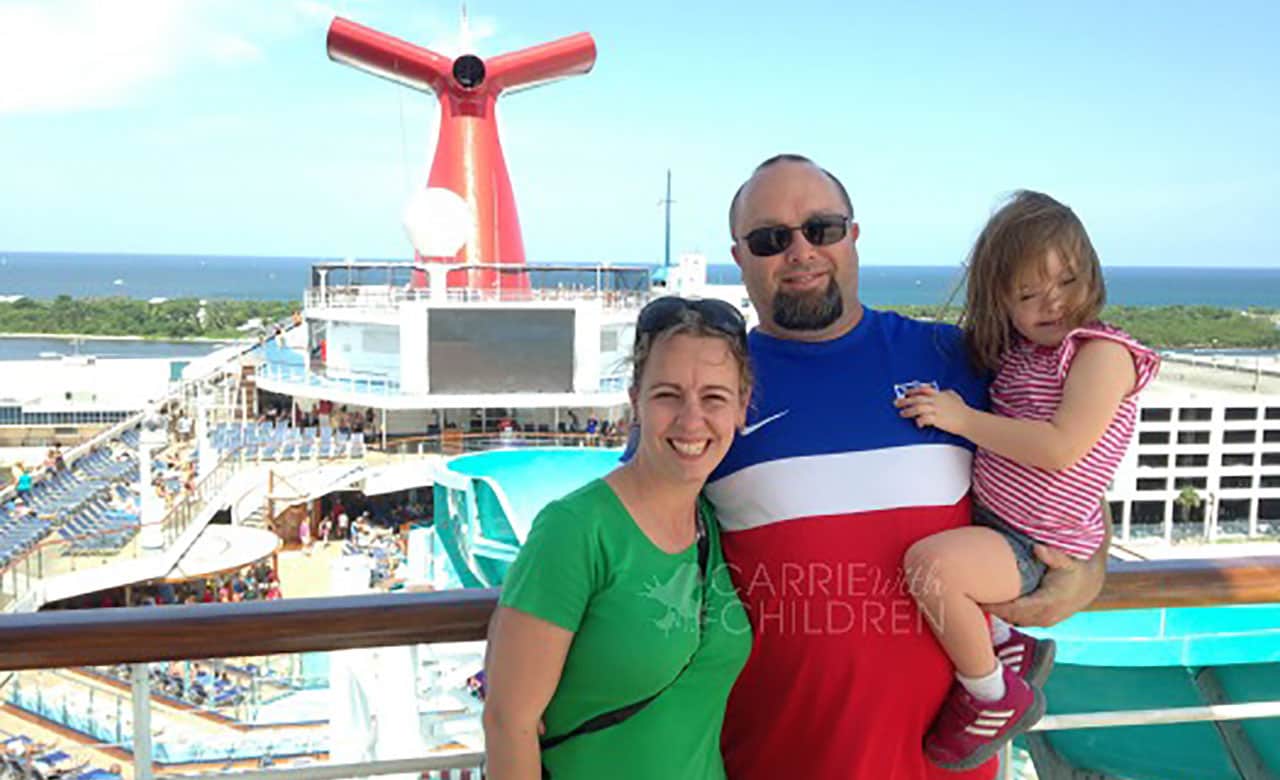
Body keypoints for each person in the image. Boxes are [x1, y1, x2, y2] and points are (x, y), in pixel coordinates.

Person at [705, 155, 1109, 780]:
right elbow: (631, 533)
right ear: (740, 258)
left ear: (853, 235)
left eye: (822, 228)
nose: (801, 250)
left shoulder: (954, 360)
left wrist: (1089, 568)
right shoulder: (710, 390)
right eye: (770, 239)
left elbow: (1065, 462)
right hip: (778, 759)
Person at [894, 191, 1159, 768]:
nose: (1053, 302)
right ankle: (1007, 644)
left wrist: (960, 418)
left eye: (1065, 281)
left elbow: (1062, 449)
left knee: (930, 568)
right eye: (1028, 294)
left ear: (1090, 272)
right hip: (1001, 522)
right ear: (1001, 302)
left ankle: (990, 694)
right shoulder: (1021, 354)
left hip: (1030, 542)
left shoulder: (1100, 354)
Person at [483, 297, 754, 779]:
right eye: (668, 395)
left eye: (714, 397)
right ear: (636, 402)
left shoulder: (716, 521)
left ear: (741, 406)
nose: (692, 420)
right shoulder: (575, 529)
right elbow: (508, 722)